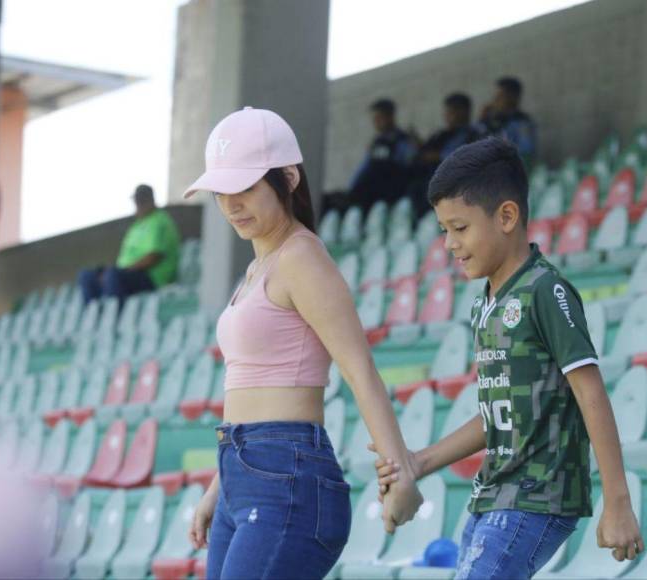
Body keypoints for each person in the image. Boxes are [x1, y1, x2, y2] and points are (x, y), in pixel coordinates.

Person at [372, 138, 643, 579]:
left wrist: (617, 501)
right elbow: (499, 416)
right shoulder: (487, 303)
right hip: (492, 496)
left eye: (459, 228)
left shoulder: (544, 291)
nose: (448, 244)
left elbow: (590, 393)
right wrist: (419, 462)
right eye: (444, 230)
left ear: (507, 216)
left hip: (536, 498)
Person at [183, 107, 424, 579]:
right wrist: (218, 488)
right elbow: (247, 390)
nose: (231, 205)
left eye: (246, 188)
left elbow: (359, 369)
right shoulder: (257, 268)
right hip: (241, 472)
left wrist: (401, 473)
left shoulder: (302, 258)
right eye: (221, 192)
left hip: (287, 478)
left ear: (288, 177)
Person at [78, 184, 180, 305]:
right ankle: (96, 315)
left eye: (142, 200)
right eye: (137, 201)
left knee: (113, 276)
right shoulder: (136, 225)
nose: (138, 205)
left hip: (151, 277)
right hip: (128, 273)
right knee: (87, 276)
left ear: (151, 200)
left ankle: (117, 315)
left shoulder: (160, 221)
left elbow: (154, 256)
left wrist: (124, 270)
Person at [407, 92, 480, 222]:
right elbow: (423, 154)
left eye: (451, 111)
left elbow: (466, 156)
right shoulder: (440, 134)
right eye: (446, 111)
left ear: (464, 111)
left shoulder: (474, 133)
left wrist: (437, 156)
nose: (446, 115)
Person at [349, 98, 417, 212]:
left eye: (379, 118)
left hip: (393, 190)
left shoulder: (402, 139)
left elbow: (408, 163)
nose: (375, 122)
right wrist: (351, 189)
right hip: (372, 191)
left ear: (390, 116)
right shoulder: (376, 142)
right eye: (374, 119)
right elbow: (364, 168)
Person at [477, 77, 537, 166]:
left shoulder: (522, 123)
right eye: (495, 96)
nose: (495, 101)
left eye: (500, 96)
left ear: (513, 98)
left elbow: (525, 155)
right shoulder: (493, 122)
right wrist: (483, 121)